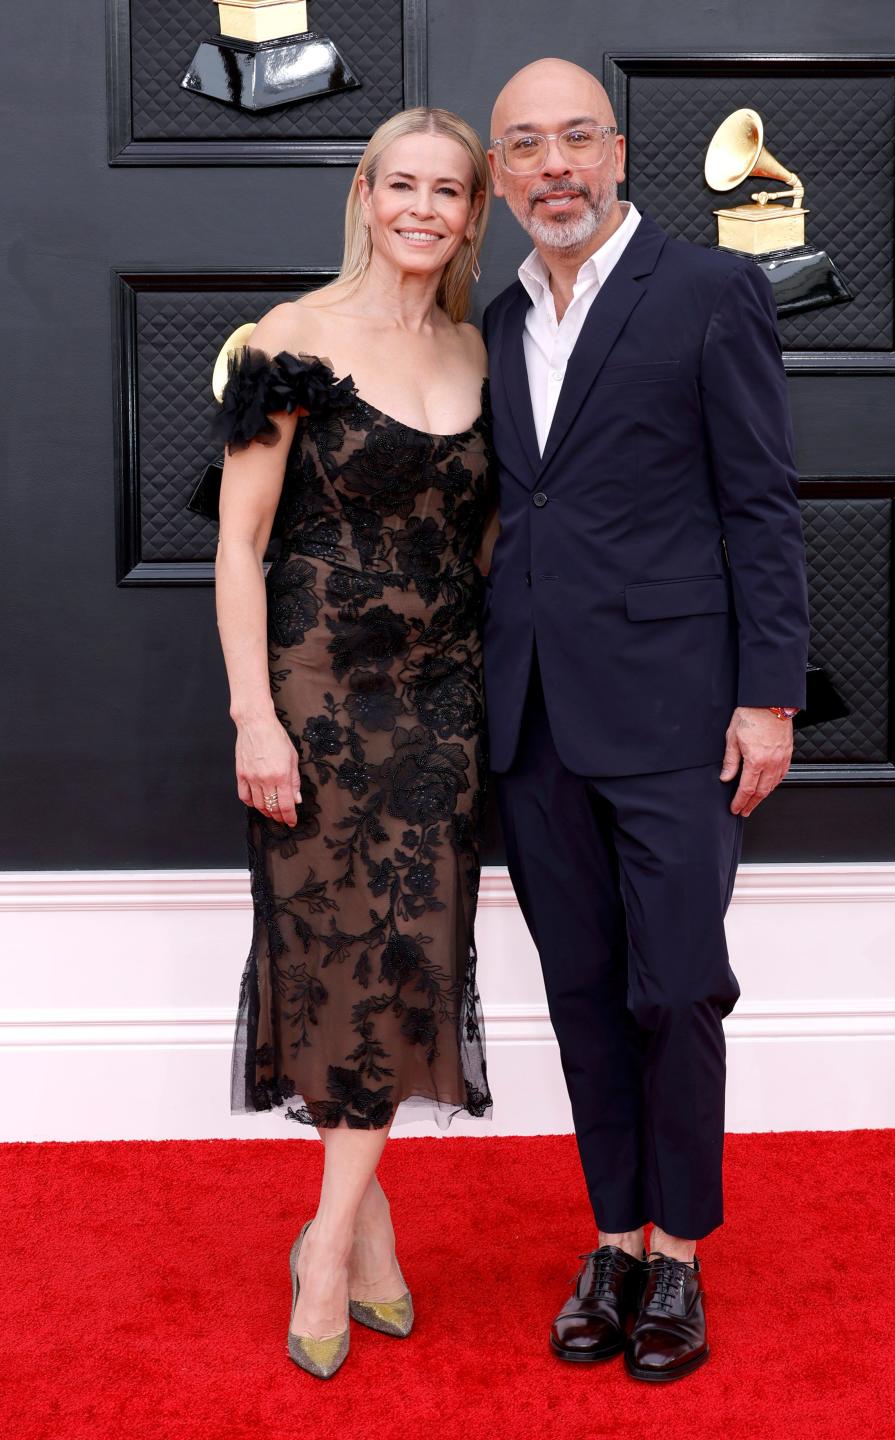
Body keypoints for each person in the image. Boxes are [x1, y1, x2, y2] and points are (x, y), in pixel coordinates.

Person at [481, 59, 809, 1382]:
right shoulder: (497, 319)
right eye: (524, 148)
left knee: (675, 990)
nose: (553, 166)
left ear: (615, 150)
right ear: (501, 178)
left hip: (679, 712)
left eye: (574, 139)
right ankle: (612, 1238)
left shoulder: (712, 289)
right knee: (578, 994)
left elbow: (763, 504)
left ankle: (680, 1257)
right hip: (536, 718)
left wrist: (770, 694)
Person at [210, 107, 496, 1380]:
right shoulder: (292, 339)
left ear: (472, 212)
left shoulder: (487, 351)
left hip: (445, 697)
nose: (424, 208)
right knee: (331, 960)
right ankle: (342, 1248)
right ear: (366, 194)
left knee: (409, 955)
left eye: (450, 190)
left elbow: (491, 545)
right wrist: (253, 715)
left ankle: (339, 1231)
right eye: (404, 185)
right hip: (316, 690)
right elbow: (239, 542)